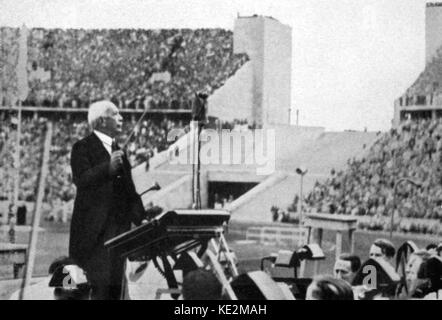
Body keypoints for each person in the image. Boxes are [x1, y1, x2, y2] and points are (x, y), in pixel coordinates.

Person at [69, 100, 146, 300]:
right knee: (98, 289)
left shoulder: (118, 150)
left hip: (119, 236)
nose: (121, 118)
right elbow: (81, 179)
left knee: (115, 290)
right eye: (116, 114)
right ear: (103, 120)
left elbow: (130, 192)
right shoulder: (81, 147)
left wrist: (142, 219)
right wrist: (107, 169)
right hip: (94, 237)